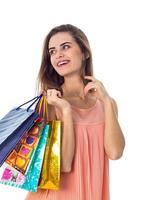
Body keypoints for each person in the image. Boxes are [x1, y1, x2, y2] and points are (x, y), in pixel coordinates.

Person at [25, 24, 125, 200]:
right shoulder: (49, 103)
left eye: (65, 46)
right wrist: (65, 110)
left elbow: (115, 153)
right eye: (52, 51)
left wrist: (108, 102)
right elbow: (63, 165)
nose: (59, 55)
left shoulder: (107, 105)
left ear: (85, 52)